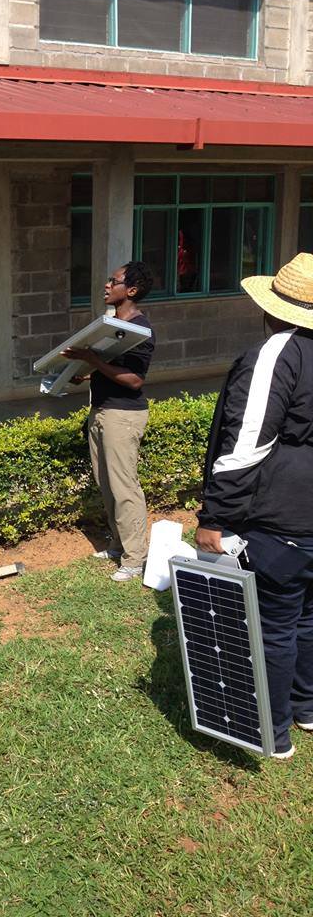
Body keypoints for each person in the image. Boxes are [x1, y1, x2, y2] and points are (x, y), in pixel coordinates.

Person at [196, 253, 313, 760]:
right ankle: (307, 707)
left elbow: (246, 442)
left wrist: (216, 516)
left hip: (280, 517)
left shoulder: (277, 353)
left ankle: (272, 730)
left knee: (275, 624)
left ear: (272, 308)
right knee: (308, 616)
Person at [63, 261, 155, 582]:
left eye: (112, 281)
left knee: (124, 487)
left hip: (123, 415)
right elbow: (109, 369)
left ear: (131, 290)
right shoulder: (111, 325)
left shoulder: (140, 329)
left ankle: (134, 559)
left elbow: (133, 380)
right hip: (100, 410)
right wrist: (86, 373)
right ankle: (118, 545)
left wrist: (92, 360)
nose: (106, 285)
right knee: (106, 485)